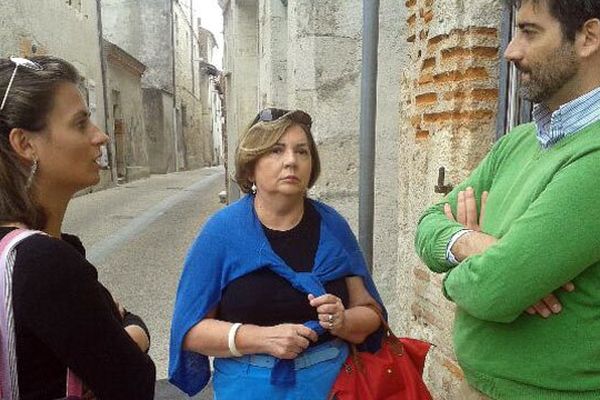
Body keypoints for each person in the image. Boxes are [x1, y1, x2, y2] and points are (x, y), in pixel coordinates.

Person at [415, 0, 600, 399]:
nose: (510, 50)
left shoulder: (595, 155)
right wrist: (475, 244)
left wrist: (465, 274)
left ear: (589, 38)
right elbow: (427, 225)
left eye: (530, 32)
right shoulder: (516, 143)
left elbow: (495, 291)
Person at [169, 108, 385, 399]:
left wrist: (344, 320)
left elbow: (370, 313)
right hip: (248, 386)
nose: (291, 161)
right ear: (250, 166)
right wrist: (261, 338)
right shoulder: (222, 233)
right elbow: (191, 332)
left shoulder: (332, 227)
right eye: (276, 150)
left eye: (302, 151)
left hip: (334, 384)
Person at [0, 56, 155, 399]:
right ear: (25, 144)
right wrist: (133, 331)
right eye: (81, 123)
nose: (100, 136)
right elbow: (134, 382)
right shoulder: (42, 263)